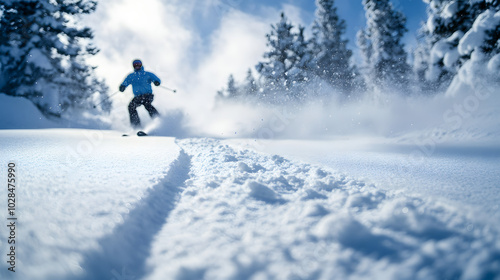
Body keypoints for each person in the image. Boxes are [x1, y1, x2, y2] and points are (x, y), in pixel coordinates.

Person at [119, 59, 161, 128]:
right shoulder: (131, 76)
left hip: (148, 95)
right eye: (135, 65)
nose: (137, 66)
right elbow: (125, 82)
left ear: (141, 65)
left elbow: (156, 79)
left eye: (138, 64)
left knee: (147, 104)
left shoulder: (147, 74)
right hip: (138, 96)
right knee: (131, 107)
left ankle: (159, 121)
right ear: (133, 66)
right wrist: (122, 86)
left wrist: (157, 82)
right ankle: (136, 126)